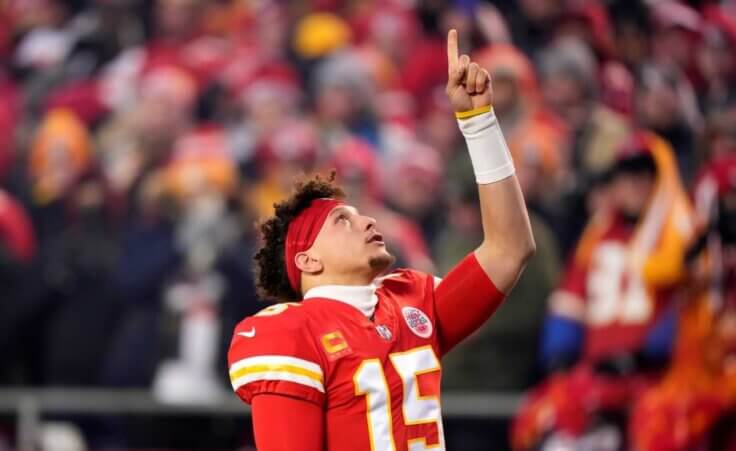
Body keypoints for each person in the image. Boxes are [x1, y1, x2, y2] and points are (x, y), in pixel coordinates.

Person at [226, 29, 535, 450]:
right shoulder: (291, 333)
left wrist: (479, 123)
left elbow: (509, 249)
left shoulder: (413, 303)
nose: (366, 221)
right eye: (341, 221)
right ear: (307, 261)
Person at [512, 131, 694, 451]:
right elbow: (570, 301)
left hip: (658, 381)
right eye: (626, 176)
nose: (634, 185)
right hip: (595, 377)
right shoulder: (596, 237)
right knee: (545, 425)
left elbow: (685, 307)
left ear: (658, 180)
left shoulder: (679, 237)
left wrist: (647, 353)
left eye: (643, 175)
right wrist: (561, 353)